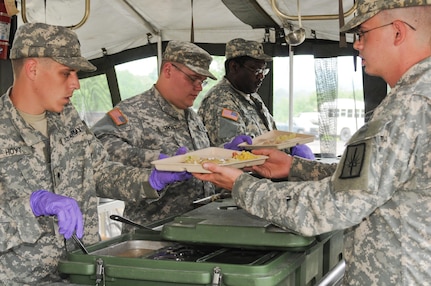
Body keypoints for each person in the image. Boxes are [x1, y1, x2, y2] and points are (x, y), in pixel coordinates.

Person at [193, 0, 431, 284]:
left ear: (397, 32)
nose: (357, 45)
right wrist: (295, 167)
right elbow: (371, 180)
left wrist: (241, 185)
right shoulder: (417, 99)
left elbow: (334, 204)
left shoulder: (408, 107)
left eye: (363, 33)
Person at [0, 22, 174, 285]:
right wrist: (32, 206)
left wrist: (150, 179)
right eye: (66, 73)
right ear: (33, 69)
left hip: (84, 272)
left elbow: (100, 171)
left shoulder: (67, 118)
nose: (76, 84)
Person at [91, 41, 250, 231]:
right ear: (168, 70)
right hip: (155, 234)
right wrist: (157, 162)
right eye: (193, 79)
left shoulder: (191, 116)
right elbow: (98, 151)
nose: (199, 87)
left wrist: (224, 156)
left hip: (197, 226)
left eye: (202, 81)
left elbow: (194, 159)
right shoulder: (132, 112)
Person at [198, 38, 314, 159]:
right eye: (256, 70)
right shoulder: (221, 100)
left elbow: (271, 137)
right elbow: (234, 154)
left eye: (264, 70)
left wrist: (290, 147)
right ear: (234, 67)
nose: (261, 76)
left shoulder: (252, 96)